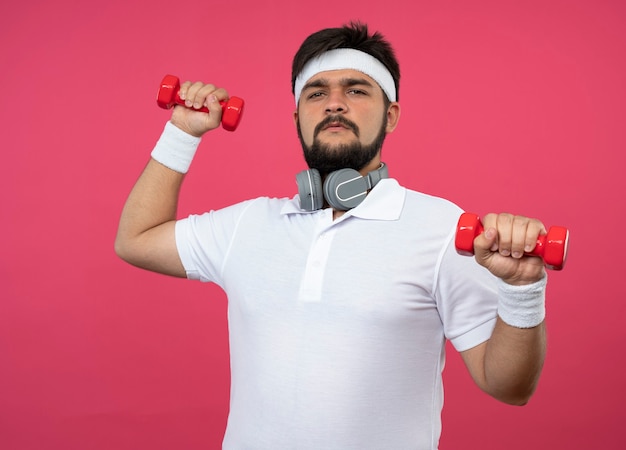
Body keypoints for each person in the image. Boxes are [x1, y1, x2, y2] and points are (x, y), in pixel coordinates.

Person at [115, 22, 548, 450]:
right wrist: (182, 132)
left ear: (391, 115)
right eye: (317, 92)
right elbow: (136, 239)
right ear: (298, 116)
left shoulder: (441, 229)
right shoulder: (249, 226)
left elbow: (509, 387)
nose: (334, 104)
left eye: (357, 90)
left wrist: (523, 289)